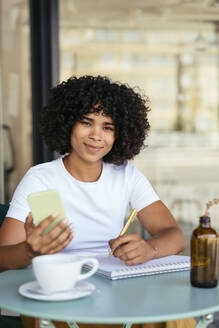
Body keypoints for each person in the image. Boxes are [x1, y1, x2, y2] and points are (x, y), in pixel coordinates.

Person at [0, 75, 195, 328]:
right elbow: (3, 258)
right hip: (59, 297)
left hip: (112, 289)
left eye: (108, 127)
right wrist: (31, 250)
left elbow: (175, 236)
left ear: (119, 134)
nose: (96, 136)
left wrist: (149, 249)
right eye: (86, 122)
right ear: (68, 122)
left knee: (174, 313)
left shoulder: (126, 175)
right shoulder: (42, 179)